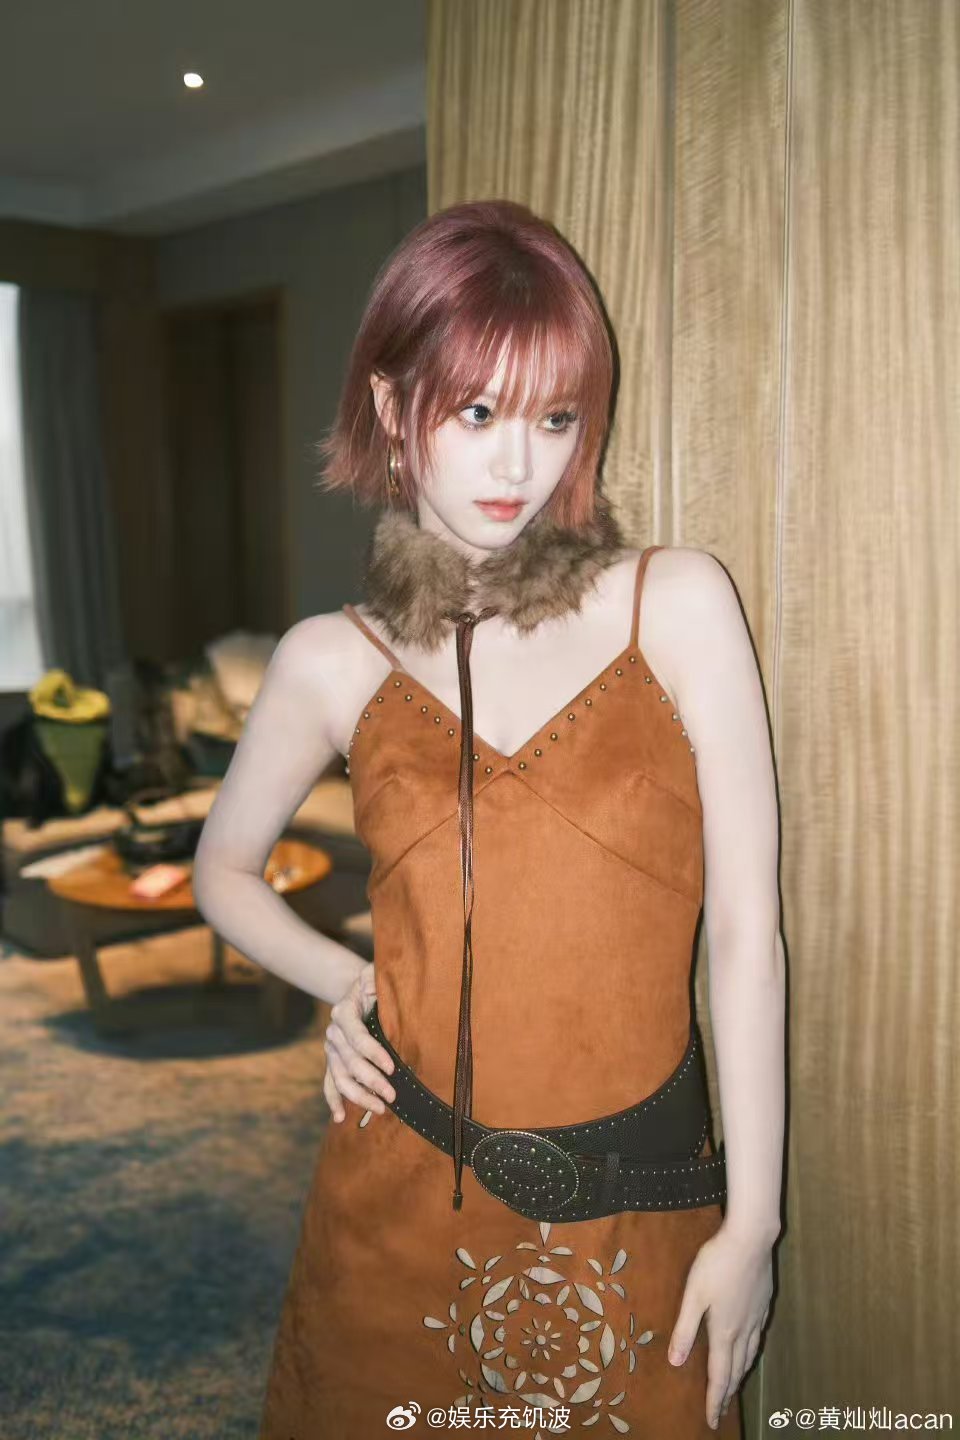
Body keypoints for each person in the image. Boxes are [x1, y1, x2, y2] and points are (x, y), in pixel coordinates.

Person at [193, 199, 785, 1439]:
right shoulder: (329, 659)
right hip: (394, 1199)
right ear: (391, 403)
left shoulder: (674, 604)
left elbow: (744, 932)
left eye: (554, 417)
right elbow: (224, 870)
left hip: (640, 1207)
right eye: (477, 413)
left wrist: (754, 1223)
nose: (520, 465)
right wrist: (344, 980)